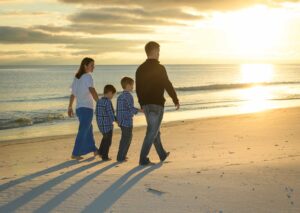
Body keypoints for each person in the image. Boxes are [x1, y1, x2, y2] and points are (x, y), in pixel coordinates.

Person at [136, 41, 180, 165]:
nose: (159, 53)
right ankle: (143, 159)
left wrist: (142, 104)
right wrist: (175, 99)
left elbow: (138, 88)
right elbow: (167, 84)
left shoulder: (140, 68)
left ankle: (162, 154)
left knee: (155, 130)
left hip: (146, 105)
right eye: (158, 51)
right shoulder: (159, 68)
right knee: (152, 131)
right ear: (154, 51)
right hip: (156, 104)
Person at [68, 57, 99, 160]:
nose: (93, 67)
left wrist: (70, 106)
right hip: (86, 108)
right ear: (85, 66)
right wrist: (99, 103)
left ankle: (94, 150)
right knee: (83, 130)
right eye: (91, 65)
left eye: (93, 65)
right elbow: (92, 90)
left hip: (79, 109)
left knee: (88, 129)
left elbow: (73, 94)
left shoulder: (77, 78)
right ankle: (75, 153)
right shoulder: (88, 76)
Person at [116, 77, 142, 162]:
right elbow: (131, 109)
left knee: (125, 138)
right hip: (127, 121)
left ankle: (122, 155)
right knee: (127, 139)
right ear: (127, 85)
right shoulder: (128, 96)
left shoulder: (120, 96)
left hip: (122, 121)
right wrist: (140, 110)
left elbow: (118, 110)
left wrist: (118, 121)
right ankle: (121, 157)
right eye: (132, 85)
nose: (133, 87)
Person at [95, 84, 117, 161]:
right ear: (110, 92)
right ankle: (105, 156)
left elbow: (97, 113)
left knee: (105, 139)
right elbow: (110, 113)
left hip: (100, 124)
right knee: (108, 141)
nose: (112, 96)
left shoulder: (99, 101)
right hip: (107, 125)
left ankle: (100, 152)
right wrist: (116, 120)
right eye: (113, 95)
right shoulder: (108, 102)